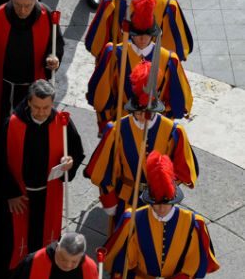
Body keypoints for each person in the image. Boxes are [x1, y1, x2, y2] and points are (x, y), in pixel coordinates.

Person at [0, 80, 84, 279]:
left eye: (46, 107)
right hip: (18, 197)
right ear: (28, 103)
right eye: (37, 107)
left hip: (47, 194)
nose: (42, 113)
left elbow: (77, 152)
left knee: (43, 241)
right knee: (10, 242)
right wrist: (11, 194)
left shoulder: (62, 122)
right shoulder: (12, 124)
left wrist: (69, 162)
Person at [84, 62, 199, 221]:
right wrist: (109, 200)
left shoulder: (174, 132)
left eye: (148, 112)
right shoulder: (117, 130)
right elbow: (105, 169)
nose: (144, 117)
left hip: (159, 202)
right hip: (126, 199)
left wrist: (165, 187)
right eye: (139, 112)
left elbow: (183, 169)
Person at [0, 0, 64, 154]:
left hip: (32, 87)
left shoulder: (46, 16)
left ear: (35, 0)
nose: (23, 11)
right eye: (18, 5)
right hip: (3, 87)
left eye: (28, 5)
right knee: (1, 126)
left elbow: (56, 46)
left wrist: (53, 60)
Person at [86, 0, 192, 132]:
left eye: (147, 34)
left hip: (155, 122)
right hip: (122, 125)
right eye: (137, 34)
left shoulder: (168, 60)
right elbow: (102, 95)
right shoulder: (114, 54)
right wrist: (108, 123)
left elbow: (178, 102)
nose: (142, 39)